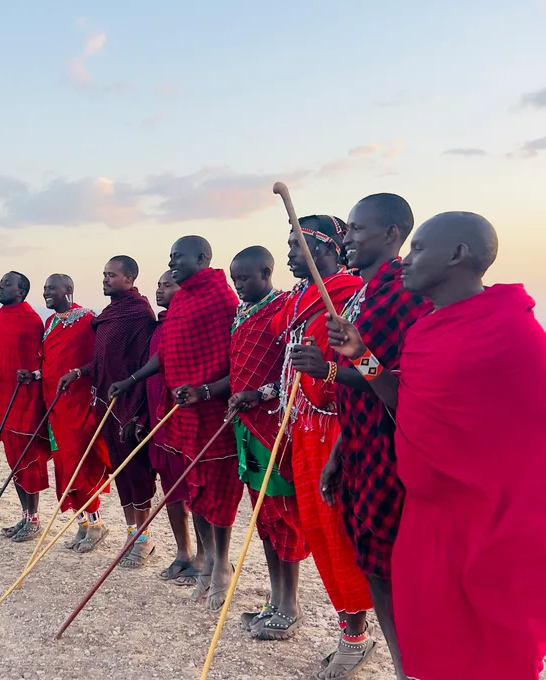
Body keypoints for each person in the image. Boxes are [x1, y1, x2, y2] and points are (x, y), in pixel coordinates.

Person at [328, 212, 546, 680]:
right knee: (433, 625)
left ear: (458, 255)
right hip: (430, 513)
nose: (407, 259)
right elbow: (401, 397)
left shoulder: (513, 332)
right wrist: (359, 355)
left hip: (494, 518)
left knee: (496, 635)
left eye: (421, 248)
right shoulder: (428, 328)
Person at [299, 195, 428, 678]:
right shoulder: (362, 294)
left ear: (393, 235)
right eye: (347, 229)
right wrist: (339, 451)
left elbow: (399, 382)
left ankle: (415, 664)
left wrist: (332, 369)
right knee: (373, 563)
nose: (348, 238)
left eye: (357, 229)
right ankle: (401, 663)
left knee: (400, 568)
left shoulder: (405, 293)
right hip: (358, 445)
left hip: (397, 450)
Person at [115, 238, 241, 611]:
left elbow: (236, 361)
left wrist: (205, 390)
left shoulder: (223, 300)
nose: (172, 263)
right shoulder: (182, 300)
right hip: (180, 412)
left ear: (202, 258)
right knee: (193, 491)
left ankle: (221, 564)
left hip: (213, 412)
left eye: (178, 257)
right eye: (169, 257)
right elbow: (166, 354)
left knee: (218, 493)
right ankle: (203, 564)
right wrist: (132, 381)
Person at [273, 216, 373, 677]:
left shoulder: (351, 295)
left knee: (339, 533)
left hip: (338, 428)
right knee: (318, 529)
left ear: (328, 248)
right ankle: (349, 628)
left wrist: (325, 373)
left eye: (298, 245)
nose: (290, 254)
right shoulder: (300, 300)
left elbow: (372, 371)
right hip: (305, 426)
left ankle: (357, 634)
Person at [226, 247, 308, 640]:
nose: (238, 285)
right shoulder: (242, 313)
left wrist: (260, 393)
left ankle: (290, 604)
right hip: (246, 425)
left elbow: (293, 371)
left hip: (274, 424)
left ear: (266, 271)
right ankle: (274, 600)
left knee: (282, 514)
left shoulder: (285, 309)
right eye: (234, 279)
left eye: (244, 278)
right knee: (262, 514)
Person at [65, 256, 156, 567]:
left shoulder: (139, 314)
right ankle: (132, 533)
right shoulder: (109, 315)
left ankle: (144, 540)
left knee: (137, 473)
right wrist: (79, 372)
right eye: (104, 274)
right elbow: (102, 361)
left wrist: (139, 414)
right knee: (121, 474)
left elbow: (145, 365)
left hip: (131, 404)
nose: (105, 279)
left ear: (129, 278)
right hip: (107, 403)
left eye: (112, 275)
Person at [27, 274, 110, 553]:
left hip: (78, 404)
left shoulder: (88, 319)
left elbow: (97, 360)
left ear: (69, 290)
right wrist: (35, 375)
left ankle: (97, 523)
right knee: (64, 462)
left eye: (51, 288)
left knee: (81, 461)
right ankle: (84, 523)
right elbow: (49, 363)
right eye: (44, 288)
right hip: (54, 406)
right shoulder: (50, 323)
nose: (46, 293)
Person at [0, 272, 50, 542]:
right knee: (14, 462)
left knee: (28, 461)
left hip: (25, 402)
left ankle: (34, 519)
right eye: (0, 283)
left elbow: (41, 362)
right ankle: (24, 516)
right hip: (3, 399)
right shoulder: (0, 317)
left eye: (7, 285)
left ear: (22, 290)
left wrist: (32, 377)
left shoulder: (31, 321)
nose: (0, 288)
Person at [146, 270, 201, 584]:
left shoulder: (192, 322)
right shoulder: (160, 326)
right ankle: (183, 552)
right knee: (172, 491)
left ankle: (208, 557)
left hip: (187, 421)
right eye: (159, 285)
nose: (160, 290)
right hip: (159, 422)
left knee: (197, 490)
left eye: (168, 285)